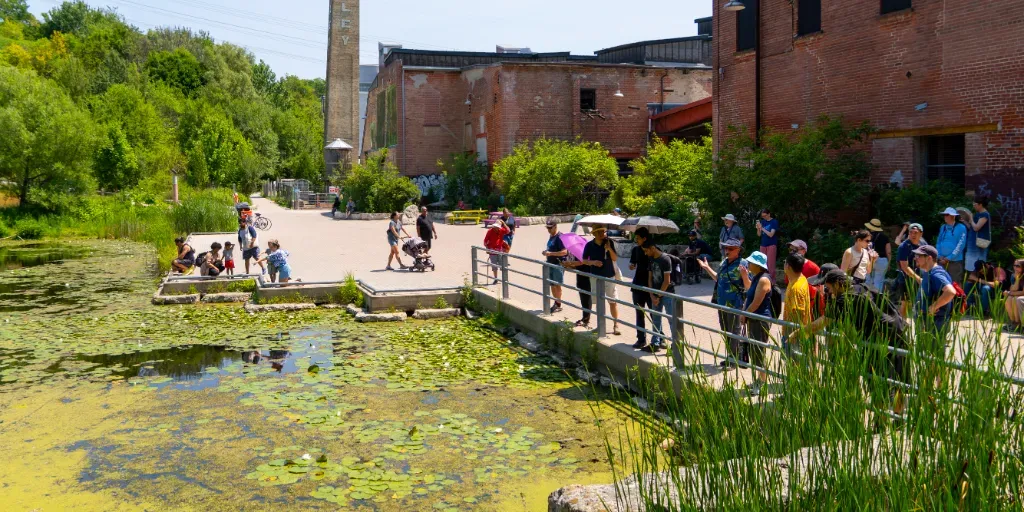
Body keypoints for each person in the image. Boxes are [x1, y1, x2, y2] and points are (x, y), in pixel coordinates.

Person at [807, 269, 910, 415]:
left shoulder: (846, 298)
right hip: (898, 331)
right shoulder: (862, 287)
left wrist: (799, 332)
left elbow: (822, 322)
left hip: (879, 339)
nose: (829, 292)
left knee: (876, 381)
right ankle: (898, 417)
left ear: (837, 284)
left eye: (829, 288)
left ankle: (881, 419)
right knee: (898, 380)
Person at [563, 227, 621, 335]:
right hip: (595, 277)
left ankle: (616, 325)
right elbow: (584, 260)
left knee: (613, 302)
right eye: (598, 232)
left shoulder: (609, 242)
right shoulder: (589, 245)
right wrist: (593, 262)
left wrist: (609, 249)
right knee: (599, 302)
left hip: (609, 276)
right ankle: (600, 325)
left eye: (602, 231)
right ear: (594, 233)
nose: (601, 234)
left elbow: (615, 258)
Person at [698, 238, 746, 368]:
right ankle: (732, 356)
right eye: (725, 248)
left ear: (738, 250)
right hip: (721, 303)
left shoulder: (743, 264)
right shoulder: (724, 262)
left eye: (730, 249)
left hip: (734, 304)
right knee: (726, 330)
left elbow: (749, 286)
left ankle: (733, 359)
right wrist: (707, 268)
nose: (727, 250)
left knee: (734, 331)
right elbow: (718, 279)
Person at [738, 250, 773, 396]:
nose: (748, 264)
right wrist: (745, 275)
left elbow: (757, 302)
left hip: (760, 319)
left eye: (751, 262)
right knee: (755, 351)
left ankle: (762, 382)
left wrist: (744, 315)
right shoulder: (757, 277)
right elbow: (749, 292)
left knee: (759, 352)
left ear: (758, 265)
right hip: (754, 318)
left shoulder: (764, 280)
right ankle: (760, 379)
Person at [914, 244, 957, 336]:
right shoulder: (928, 272)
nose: (915, 258)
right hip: (928, 323)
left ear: (929, 258)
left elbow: (950, 292)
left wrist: (934, 307)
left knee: (933, 350)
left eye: (919, 256)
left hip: (934, 324)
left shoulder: (936, 274)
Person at [643, 241, 675, 353]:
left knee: (671, 319)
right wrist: (652, 295)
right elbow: (649, 278)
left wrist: (658, 296)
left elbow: (667, 281)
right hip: (655, 294)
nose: (646, 253)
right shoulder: (651, 259)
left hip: (667, 294)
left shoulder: (665, 259)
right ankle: (655, 343)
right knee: (656, 319)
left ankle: (676, 345)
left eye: (646, 251)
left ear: (652, 248)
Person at [782, 253, 812, 356]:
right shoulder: (800, 278)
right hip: (793, 333)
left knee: (794, 365)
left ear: (788, 266)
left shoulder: (796, 288)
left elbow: (798, 313)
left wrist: (793, 335)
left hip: (793, 334)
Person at [892, 223, 925, 317]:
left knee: (918, 303)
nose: (913, 235)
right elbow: (904, 267)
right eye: (911, 232)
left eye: (915, 233)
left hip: (921, 276)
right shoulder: (904, 246)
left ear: (921, 234)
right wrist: (918, 279)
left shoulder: (923, 244)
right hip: (906, 278)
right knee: (905, 303)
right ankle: (902, 326)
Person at [629, 227, 653, 349]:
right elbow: (632, 262)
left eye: (638, 238)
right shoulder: (636, 250)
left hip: (650, 287)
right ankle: (641, 339)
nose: (636, 240)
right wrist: (632, 266)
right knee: (639, 313)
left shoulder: (653, 249)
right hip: (637, 284)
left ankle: (658, 338)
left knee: (654, 314)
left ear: (644, 238)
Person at [542, 220, 568, 314]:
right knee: (552, 285)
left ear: (555, 226)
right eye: (547, 228)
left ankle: (558, 304)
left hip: (558, 264)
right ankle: (556, 302)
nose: (548, 229)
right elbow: (551, 248)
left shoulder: (560, 237)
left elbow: (565, 252)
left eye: (550, 227)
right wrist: (546, 252)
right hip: (550, 263)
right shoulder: (551, 236)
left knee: (557, 285)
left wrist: (551, 253)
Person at [936, 207, 967, 283]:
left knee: (955, 284)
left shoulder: (962, 228)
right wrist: (939, 256)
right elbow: (938, 242)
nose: (945, 216)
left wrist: (949, 258)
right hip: (941, 260)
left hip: (955, 262)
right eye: (944, 215)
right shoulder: (943, 227)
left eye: (947, 215)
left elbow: (961, 245)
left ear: (953, 216)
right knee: (941, 283)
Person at [962, 197, 992, 273]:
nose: (973, 206)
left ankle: (977, 278)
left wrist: (971, 219)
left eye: (975, 204)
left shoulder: (985, 214)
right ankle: (971, 277)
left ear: (980, 205)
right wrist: (964, 221)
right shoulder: (978, 214)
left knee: (978, 264)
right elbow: (971, 228)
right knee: (970, 264)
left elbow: (976, 228)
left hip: (979, 242)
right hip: (972, 242)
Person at [865, 219, 891, 291]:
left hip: (869, 259)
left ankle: (866, 299)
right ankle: (876, 299)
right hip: (882, 260)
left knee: (868, 280)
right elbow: (888, 252)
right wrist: (888, 263)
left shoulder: (866, 236)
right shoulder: (885, 237)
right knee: (878, 281)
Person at [483, 218, 510, 284]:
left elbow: (508, 231)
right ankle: (496, 279)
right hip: (492, 251)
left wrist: (503, 223)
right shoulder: (490, 231)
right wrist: (487, 248)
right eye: (495, 227)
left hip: (500, 250)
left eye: (498, 227)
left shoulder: (501, 230)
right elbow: (485, 241)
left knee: (503, 265)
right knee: (494, 266)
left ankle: (505, 279)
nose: (496, 228)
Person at [755, 209, 779, 280]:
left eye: (765, 216)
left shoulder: (774, 222)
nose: (764, 217)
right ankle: (762, 279)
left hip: (771, 244)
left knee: (770, 264)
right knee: (762, 263)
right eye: (762, 216)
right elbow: (759, 235)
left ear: (769, 214)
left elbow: (771, 234)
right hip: (763, 244)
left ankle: (772, 281)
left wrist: (762, 228)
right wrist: (758, 228)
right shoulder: (762, 222)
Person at [1003, 260, 1024, 331]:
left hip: (1021, 295)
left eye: (1018, 266)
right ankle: (1014, 322)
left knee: (1014, 299)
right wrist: (1017, 279)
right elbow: (1013, 289)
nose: (1015, 268)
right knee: (1008, 299)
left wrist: (1009, 293)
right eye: (1014, 265)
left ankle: (1018, 323)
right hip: (1018, 294)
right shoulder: (1014, 275)